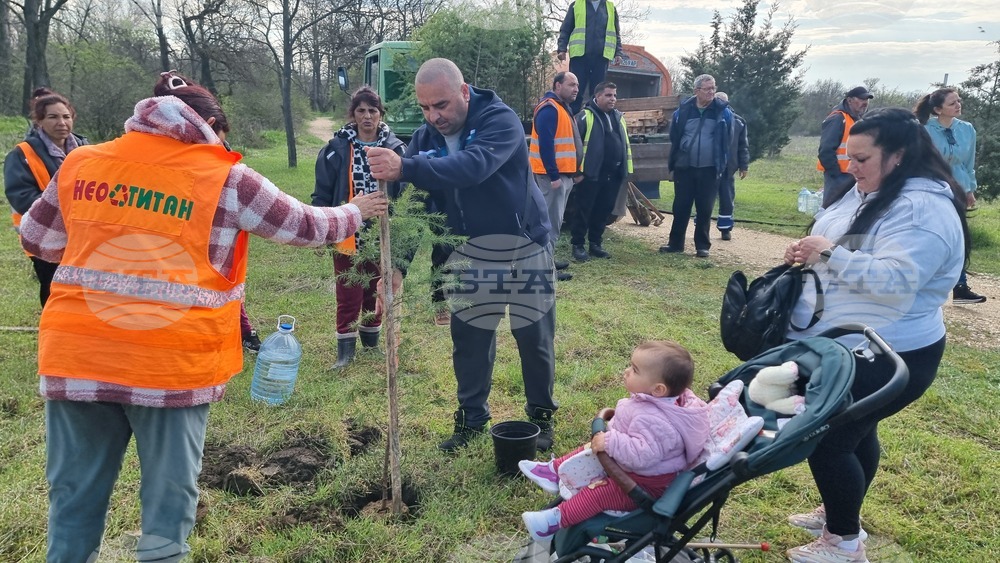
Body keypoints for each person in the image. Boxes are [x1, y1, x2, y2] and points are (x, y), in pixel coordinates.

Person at [19, 71, 388, 562]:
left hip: (77, 356)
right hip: (170, 366)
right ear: (210, 123)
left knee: (73, 504)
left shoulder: (82, 162)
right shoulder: (223, 176)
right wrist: (357, 209)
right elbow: (304, 224)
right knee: (167, 514)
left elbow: (37, 240)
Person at [781, 108, 969, 563]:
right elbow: (837, 236)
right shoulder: (876, 188)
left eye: (861, 158)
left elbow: (895, 282)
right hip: (857, 344)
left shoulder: (923, 211)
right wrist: (810, 250)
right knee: (857, 433)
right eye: (849, 157)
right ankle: (841, 513)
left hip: (890, 353)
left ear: (899, 156)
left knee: (829, 438)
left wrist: (829, 254)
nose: (851, 167)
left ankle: (843, 543)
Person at [366, 58, 559, 453]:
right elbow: (418, 208)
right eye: (424, 108)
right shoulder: (424, 140)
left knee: (534, 337)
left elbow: (473, 167)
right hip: (469, 255)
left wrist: (406, 167)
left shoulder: (500, 121)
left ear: (464, 92)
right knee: (469, 340)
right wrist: (398, 266)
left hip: (524, 246)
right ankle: (473, 419)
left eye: (441, 105)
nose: (433, 116)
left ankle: (541, 415)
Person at [518, 340, 710, 543]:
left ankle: (552, 522)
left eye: (635, 370)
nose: (627, 371)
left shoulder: (658, 422)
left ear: (658, 389)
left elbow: (641, 455)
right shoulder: (657, 402)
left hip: (644, 485)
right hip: (633, 471)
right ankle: (553, 471)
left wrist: (611, 441)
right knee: (591, 448)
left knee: (600, 492)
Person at [312, 86, 407, 368]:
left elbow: (404, 192)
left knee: (374, 286)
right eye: (361, 110)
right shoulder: (336, 150)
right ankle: (345, 353)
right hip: (347, 230)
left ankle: (371, 343)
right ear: (353, 114)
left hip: (381, 232)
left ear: (380, 115)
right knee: (349, 287)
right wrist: (322, 227)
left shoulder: (395, 149)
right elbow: (323, 191)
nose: (367, 116)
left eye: (373, 111)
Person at [4, 87, 87, 307]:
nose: (62, 122)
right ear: (39, 121)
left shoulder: (87, 150)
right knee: (52, 289)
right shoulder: (22, 153)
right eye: (53, 117)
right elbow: (20, 196)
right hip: (43, 235)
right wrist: (65, 211)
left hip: (81, 234)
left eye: (66, 116)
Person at [915, 88, 987, 305]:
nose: (958, 105)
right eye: (952, 103)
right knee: (929, 233)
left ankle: (960, 287)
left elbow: (968, 163)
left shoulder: (967, 129)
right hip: (931, 186)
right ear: (937, 109)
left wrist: (969, 189)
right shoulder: (924, 130)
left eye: (959, 101)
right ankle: (921, 280)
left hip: (958, 188)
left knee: (959, 236)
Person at [660, 74, 732, 258]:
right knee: (681, 207)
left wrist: (722, 163)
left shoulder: (723, 112)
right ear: (697, 91)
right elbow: (675, 136)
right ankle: (675, 244)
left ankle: (702, 246)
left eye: (713, 88)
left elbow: (728, 140)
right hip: (685, 168)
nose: (711, 92)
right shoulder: (683, 111)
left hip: (710, 169)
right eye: (707, 89)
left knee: (705, 208)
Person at [529, 71, 583, 280]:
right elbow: (546, 145)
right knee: (548, 225)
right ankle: (544, 270)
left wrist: (574, 173)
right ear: (557, 86)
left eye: (577, 85)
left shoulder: (562, 108)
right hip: (552, 178)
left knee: (554, 223)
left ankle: (547, 262)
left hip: (562, 176)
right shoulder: (549, 109)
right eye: (571, 84)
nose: (576, 89)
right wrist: (554, 176)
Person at [570, 81, 632, 262]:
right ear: (597, 97)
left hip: (612, 176)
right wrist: (577, 172)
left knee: (603, 211)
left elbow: (625, 144)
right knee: (583, 211)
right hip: (590, 175)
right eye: (608, 95)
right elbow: (574, 146)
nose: (613, 99)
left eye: (614, 95)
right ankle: (578, 245)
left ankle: (596, 244)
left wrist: (623, 170)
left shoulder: (619, 118)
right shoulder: (584, 117)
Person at [557, 0, 624, 115]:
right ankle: (571, 118)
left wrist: (618, 53)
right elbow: (566, 29)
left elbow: (616, 33)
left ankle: (594, 120)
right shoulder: (576, 5)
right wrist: (562, 48)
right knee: (575, 90)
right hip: (580, 56)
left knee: (598, 92)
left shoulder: (610, 7)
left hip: (601, 57)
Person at [817, 86, 873, 208]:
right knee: (832, 209)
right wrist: (835, 174)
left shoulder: (856, 120)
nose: (865, 103)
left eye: (867, 100)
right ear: (849, 100)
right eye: (862, 99)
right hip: (839, 176)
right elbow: (825, 150)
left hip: (853, 174)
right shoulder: (838, 118)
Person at [713, 92, 749, 241]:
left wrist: (743, 166)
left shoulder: (739, 122)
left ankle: (725, 229)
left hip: (728, 168)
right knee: (703, 198)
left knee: (727, 198)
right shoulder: (709, 117)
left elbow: (743, 146)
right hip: (709, 166)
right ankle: (700, 226)